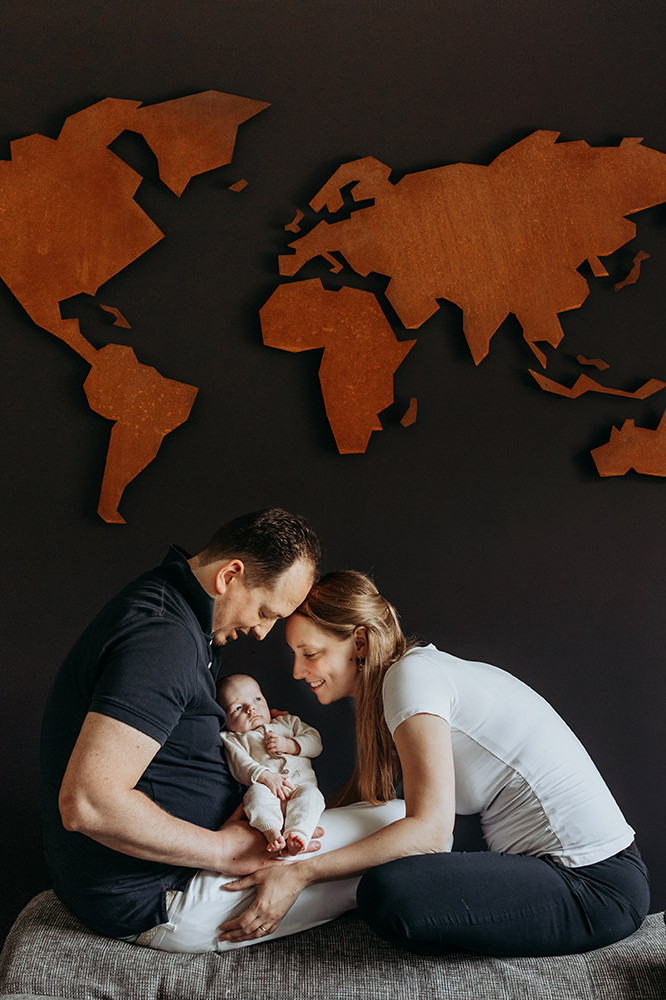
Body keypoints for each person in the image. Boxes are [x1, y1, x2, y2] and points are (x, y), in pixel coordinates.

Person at [218, 570, 650, 957]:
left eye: (310, 654)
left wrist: (301, 875)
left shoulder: (411, 677)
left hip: (594, 884)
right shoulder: (413, 675)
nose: (296, 672)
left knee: (391, 892)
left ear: (361, 642)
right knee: (390, 876)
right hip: (582, 877)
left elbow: (430, 832)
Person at [41, 509, 404, 953]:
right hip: (160, 898)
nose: (261, 631)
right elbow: (87, 802)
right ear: (230, 575)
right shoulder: (162, 640)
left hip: (176, 873)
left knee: (389, 829)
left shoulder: (177, 615)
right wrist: (224, 851)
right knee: (402, 825)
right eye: (266, 612)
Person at [219, 673, 326, 854]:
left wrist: (290, 745)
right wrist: (266, 777)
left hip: (300, 786)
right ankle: (272, 832)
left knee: (312, 796)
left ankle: (297, 834)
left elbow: (315, 742)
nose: (251, 708)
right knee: (255, 796)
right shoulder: (233, 739)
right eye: (238, 708)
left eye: (257, 699)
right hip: (268, 791)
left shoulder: (288, 722)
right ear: (225, 721)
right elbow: (240, 765)